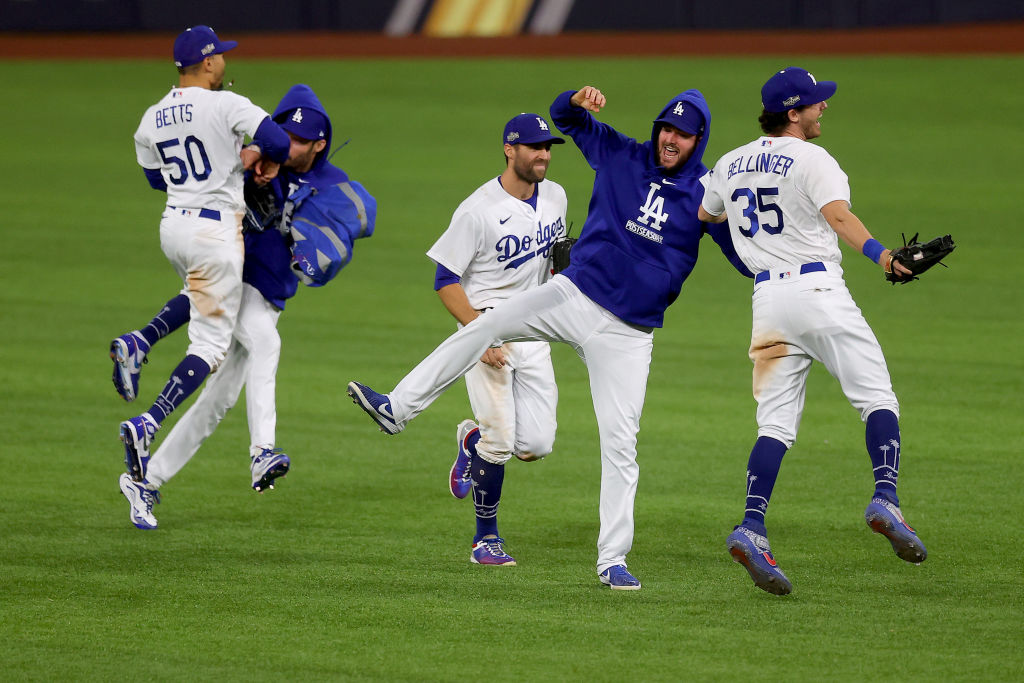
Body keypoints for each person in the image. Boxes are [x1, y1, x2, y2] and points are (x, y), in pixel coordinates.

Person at [347, 86, 751, 590]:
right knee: (487, 323)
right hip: (573, 295)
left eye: (683, 134)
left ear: (699, 139)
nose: (671, 139)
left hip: (629, 333)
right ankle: (397, 409)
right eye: (667, 128)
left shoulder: (706, 193)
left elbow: (741, 256)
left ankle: (612, 561)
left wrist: (770, 259)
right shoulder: (620, 153)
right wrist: (574, 99)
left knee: (620, 444)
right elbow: (564, 118)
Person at [698, 66, 927, 595]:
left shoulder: (730, 163)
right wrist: (884, 256)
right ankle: (885, 497)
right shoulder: (812, 157)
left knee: (774, 425)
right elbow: (840, 217)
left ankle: (752, 526)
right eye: (816, 103)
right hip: (819, 292)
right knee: (877, 397)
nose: (824, 108)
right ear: (793, 113)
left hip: (768, 303)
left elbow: (705, 214)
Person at [115, 84, 376, 529]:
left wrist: (314, 249)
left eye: (299, 141)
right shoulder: (252, 163)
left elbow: (356, 218)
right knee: (265, 342)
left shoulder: (330, 183)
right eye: (283, 135)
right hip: (236, 278)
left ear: (320, 144)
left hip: (267, 292)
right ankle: (262, 452)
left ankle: (147, 481)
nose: (287, 146)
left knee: (218, 401)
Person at [115, 25, 291, 489]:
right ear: (209, 63)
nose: (224, 63)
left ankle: (141, 340)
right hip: (215, 229)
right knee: (210, 347)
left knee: (196, 293)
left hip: (173, 226)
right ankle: (148, 422)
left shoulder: (152, 117)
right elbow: (276, 140)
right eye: (222, 57)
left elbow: (156, 179)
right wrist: (246, 156)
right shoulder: (225, 103)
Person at [432, 113, 567, 566]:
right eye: (534, 147)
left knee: (537, 446)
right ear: (510, 150)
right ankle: (484, 540)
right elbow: (445, 279)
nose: (543, 154)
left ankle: (469, 440)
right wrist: (477, 333)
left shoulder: (556, 197)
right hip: (485, 325)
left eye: (547, 146)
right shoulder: (478, 210)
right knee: (502, 442)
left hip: (533, 329)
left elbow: (554, 262)